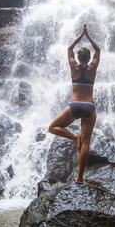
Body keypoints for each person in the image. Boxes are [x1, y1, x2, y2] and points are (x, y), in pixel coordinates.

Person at [48, 23, 100, 183]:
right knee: (86, 142)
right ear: (89, 58)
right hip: (89, 107)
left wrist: (80, 35)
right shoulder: (92, 68)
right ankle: (79, 178)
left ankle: (73, 137)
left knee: (52, 128)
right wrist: (88, 35)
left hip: (75, 105)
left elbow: (69, 48)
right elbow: (98, 50)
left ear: (78, 58)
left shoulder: (74, 68)